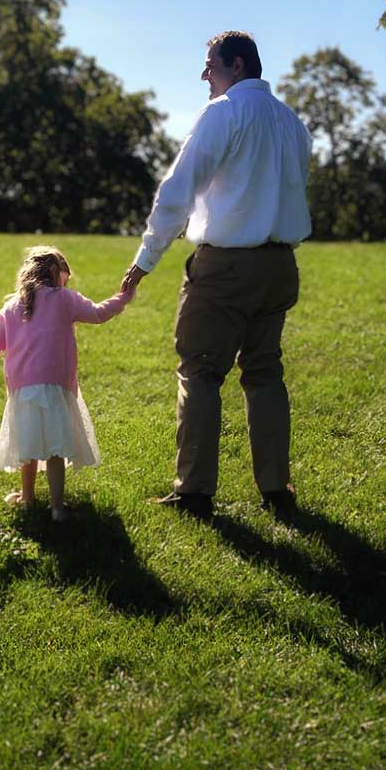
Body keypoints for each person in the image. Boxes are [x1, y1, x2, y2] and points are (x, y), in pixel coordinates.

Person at [121, 31, 313, 521]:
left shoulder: (223, 113)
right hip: (280, 266)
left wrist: (146, 258)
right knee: (265, 373)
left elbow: (177, 191)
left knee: (201, 372)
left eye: (211, 64)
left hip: (226, 266)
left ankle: (194, 492)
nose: (205, 75)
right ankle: (275, 489)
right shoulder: (293, 124)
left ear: (237, 64)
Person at [0, 246, 133, 522]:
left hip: (23, 389)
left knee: (28, 448)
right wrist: (124, 296)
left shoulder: (11, 306)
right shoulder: (64, 299)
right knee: (55, 450)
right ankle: (58, 509)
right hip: (56, 386)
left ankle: (28, 500)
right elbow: (97, 314)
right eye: (65, 277)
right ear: (56, 273)